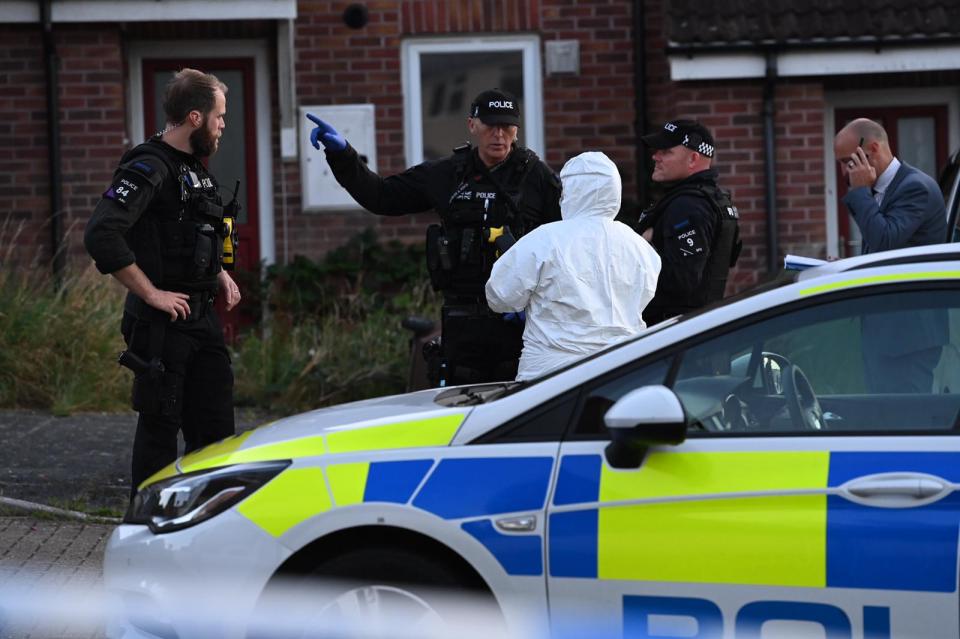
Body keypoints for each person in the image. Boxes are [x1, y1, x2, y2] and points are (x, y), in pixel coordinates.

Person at [306, 88, 562, 386]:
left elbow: (565, 245)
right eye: (491, 126)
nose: (499, 135)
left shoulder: (537, 177)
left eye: (507, 127)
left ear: (517, 130)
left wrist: (542, 303)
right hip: (462, 317)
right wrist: (342, 155)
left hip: (521, 321)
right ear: (472, 126)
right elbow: (382, 197)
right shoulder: (448, 173)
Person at [84, 68, 241, 496]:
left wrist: (220, 274)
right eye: (219, 116)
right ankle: (145, 531)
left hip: (201, 320)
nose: (224, 124)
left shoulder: (195, 170)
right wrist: (151, 293)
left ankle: (205, 527)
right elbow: (102, 233)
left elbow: (193, 232)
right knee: (159, 432)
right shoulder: (148, 166)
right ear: (195, 117)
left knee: (215, 431)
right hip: (161, 326)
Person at [485, 151, 661, 381]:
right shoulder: (640, 247)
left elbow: (500, 296)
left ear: (572, 192)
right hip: (622, 368)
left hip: (550, 375)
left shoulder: (546, 239)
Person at [834, 118, 948, 393]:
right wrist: (849, 267)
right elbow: (883, 254)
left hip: (908, 337)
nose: (844, 172)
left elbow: (885, 239)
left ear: (871, 149)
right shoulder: (880, 189)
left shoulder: (914, 187)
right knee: (882, 419)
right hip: (884, 332)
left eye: (848, 161)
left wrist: (859, 191)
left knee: (907, 424)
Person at [636, 119, 742, 325]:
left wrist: (641, 246)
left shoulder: (688, 206)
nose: (655, 157)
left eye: (666, 151)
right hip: (699, 330)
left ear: (693, 159)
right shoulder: (712, 199)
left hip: (675, 334)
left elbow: (681, 282)